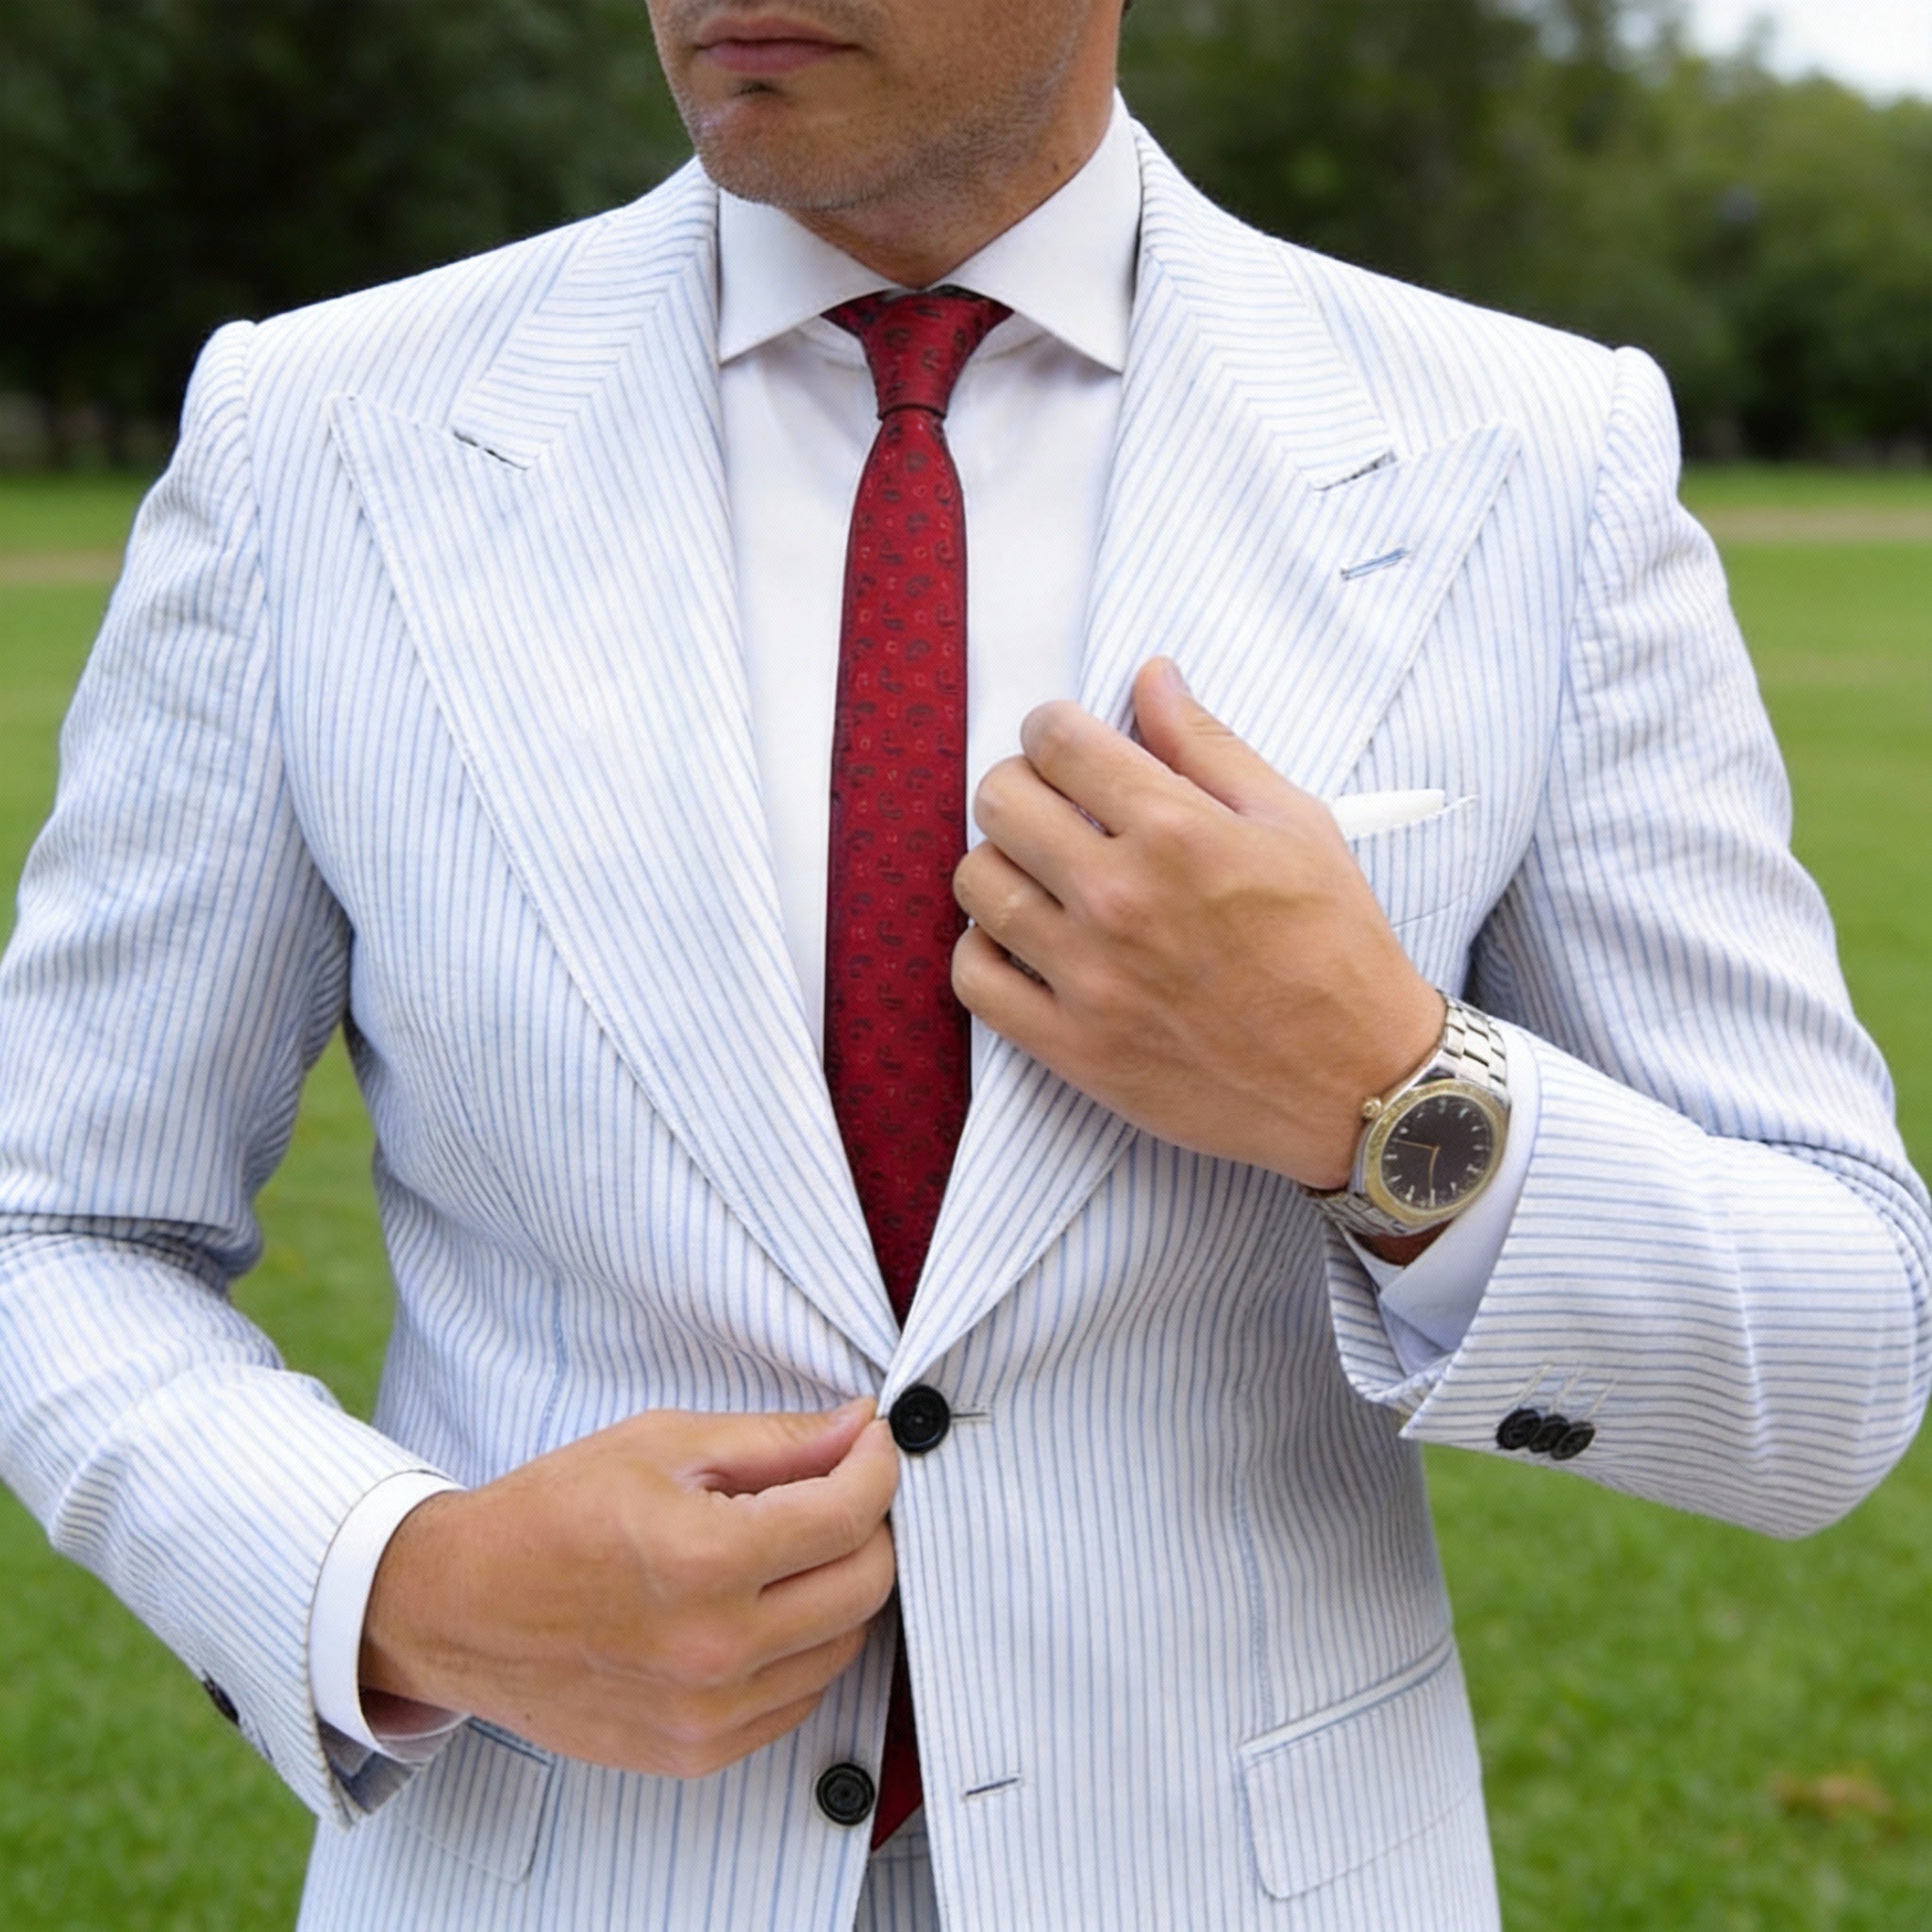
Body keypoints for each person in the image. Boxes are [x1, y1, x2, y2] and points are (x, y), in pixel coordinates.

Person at [0, 0, 1925, 1924]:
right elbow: (56, 1222)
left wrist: (1390, 1094)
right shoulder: (312, 442)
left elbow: (1840, 1354)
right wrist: (399, 1584)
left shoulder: (1528, 459)